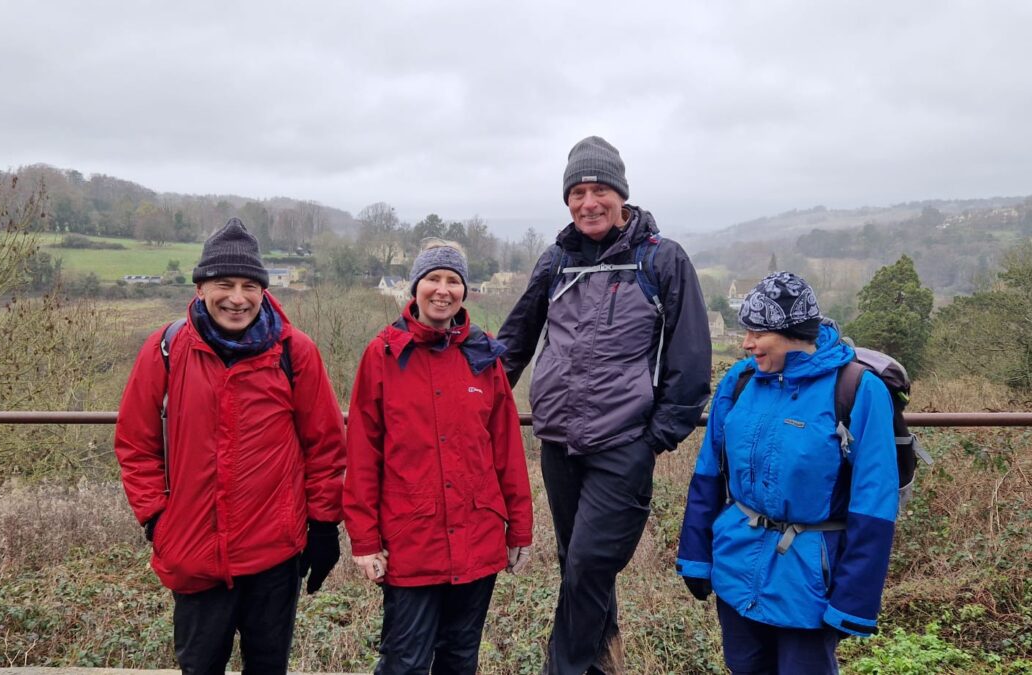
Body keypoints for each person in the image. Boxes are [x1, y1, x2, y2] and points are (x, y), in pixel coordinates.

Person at [496, 136, 712, 674]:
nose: (588, 202)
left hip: (623, 444)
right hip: (559, 442)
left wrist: (654, 439)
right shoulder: (557, 260)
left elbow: (689, 358)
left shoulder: (660, 259)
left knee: (590, 563)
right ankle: (600, 666)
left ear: (621, 195)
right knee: (578, 567)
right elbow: (516, 340)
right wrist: (471, 396)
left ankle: (561, 670)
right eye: (578, 192)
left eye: (600, 191)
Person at [115, 217, 347, 675]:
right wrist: (156, 517)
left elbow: (324, 448)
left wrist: (323, 527)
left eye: (249, 286)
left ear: (263, 291)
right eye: (224, 284)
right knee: (199, 666)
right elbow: (135, 442)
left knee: (267, 666)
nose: (237, 298)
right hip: (195, 550)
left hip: (274, 553)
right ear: (200, 287)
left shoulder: (293, 353)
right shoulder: (166, 348)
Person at [676, 272, 899, 675]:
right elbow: (708, 473)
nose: (747, 343)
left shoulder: (856, 390)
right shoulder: (740, 381)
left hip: (809, 580)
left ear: (792, 332)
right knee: (742, 666)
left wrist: (852, 600)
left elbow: (875, 502)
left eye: (758, 332)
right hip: (736, 563)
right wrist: (695, 556)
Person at [344, 240, 534, 675]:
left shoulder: (484, 356)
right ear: (415, 287)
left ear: (465, 290)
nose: (443, 289)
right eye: (433, 279)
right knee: (404, 661)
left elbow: (507, 451)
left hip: (477, 534)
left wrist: (520, 528)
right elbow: (362, 453)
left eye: (453, 280)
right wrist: (365, 539)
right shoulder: (384, 354)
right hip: (412, 540)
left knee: (459, 658)